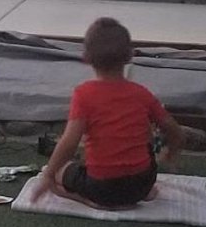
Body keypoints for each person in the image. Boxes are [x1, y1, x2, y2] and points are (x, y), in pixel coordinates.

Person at [32, 17, 185, 210]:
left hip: (102, 188)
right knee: (142, 131)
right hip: (142, 183)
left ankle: (89, 201)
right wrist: (171, 153)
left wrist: (48, 174)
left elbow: (69, 142)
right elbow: (175, 131)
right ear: (130, 55)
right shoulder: (141, 93)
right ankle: (144, 193)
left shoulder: (83, 94)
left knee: (57, 174)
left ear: (86, 57)